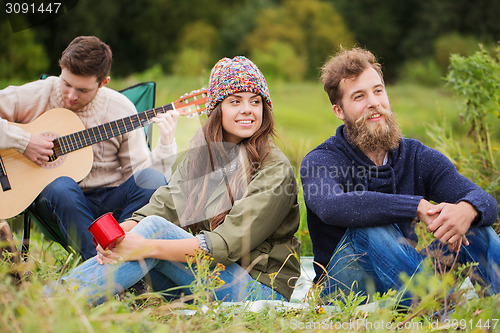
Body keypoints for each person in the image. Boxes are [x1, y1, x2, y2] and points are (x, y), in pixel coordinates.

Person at [46, 56, 301, 305]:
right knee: (149, 226)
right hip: (203, 278)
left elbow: (226, 244)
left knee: (156, 231)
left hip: (258, 289)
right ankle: (61, 297)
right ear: (217, 109)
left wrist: (146, 247)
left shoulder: (274, 169)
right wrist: (118, 237)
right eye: (235, 101)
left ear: (264, 109)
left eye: (255, 101)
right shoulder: (202, 158)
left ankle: (54, 300)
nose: (247, 109)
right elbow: (165, 204)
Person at [300, 47, 499, 307]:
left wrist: (466, 210)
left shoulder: (415, 155)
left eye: (378, 90)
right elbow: (331, 206)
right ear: (339, 110)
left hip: (400, 270)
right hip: (346, 285)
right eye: (359, 96)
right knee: (370, 227)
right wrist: (414, 206)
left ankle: (491, 310)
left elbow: (486, 202)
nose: (374, 102)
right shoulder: (321, 160)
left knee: (474, 224)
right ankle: (443, 311)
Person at [0, 36, 179, 260]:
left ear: (103, 82)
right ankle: (104, 271)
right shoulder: (36, 94)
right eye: (66, 84)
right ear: (60, 70)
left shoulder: (121, 109)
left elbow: (142, 177)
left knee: (152, 179)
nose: (71, 96)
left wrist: (165, 146)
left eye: (83, 90)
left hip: (111, 206)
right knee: (61, 185)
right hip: (58, 203)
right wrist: (23, 142)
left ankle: (116, 256)